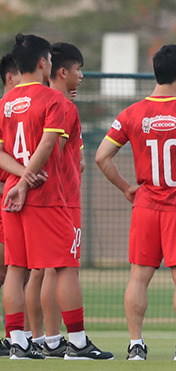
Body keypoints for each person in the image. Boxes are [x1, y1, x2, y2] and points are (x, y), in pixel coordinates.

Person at [96, 44, 176, 361]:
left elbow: (101, 156)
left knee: (138, 277)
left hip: (145, 205)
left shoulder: (131, 113)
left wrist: (125, 187)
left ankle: (136, 345)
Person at [0, 33, 112, 360]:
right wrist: (28, 182)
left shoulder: (4, 103)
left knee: (17, 268)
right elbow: (48, 145)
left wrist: (19, 178)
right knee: (64, 267)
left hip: (11, 194)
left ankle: (18, 341)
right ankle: (76, 342)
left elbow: (2, 153)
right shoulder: (54, 101)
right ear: (42, 63)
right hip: (44, 195)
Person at [23, 42, 85, 358]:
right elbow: (56, 154)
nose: (82, 76)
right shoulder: (58, 106)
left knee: (35, 269)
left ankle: (38, 338)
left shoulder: (26, 102)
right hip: (58, 197)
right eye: (78, 70)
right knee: (56, 269)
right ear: (60, 70)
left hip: (32, 193)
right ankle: (57, 339)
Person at [0, 52, 22, 357]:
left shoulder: (21, 111)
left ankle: (16, 337)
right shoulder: (5, 109)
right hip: (6, 193)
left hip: (13, 193)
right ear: (9, 78)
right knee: (10, 271)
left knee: (10, 272)